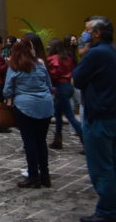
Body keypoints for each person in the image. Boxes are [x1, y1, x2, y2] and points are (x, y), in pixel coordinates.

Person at [72, 16, 116, 222]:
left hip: (98, 116)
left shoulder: (96, 53)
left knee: (101, 167)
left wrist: (84, 51)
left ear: (97, 33)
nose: (85, 33)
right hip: (110, 112)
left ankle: (107, 211)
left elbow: (77, 79)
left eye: (88, 30)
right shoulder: (111, 51)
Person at [4, 38, 54, 188]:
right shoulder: (40, 64)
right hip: (45, 105)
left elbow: (7, 90)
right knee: (41, 141)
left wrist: (11, 97)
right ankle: (45, 175)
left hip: (25, 106)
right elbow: (49, 85)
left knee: (29, 142)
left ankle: (33, 176)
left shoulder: (14, 66)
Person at [47, 38, 82, 149]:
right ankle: (57, 140)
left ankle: (85, 140)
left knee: (70, 116)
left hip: (60, 87)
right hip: (68, 86)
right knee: (57, 114)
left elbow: (53, 74)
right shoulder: (68, 57)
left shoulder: (53, 59)